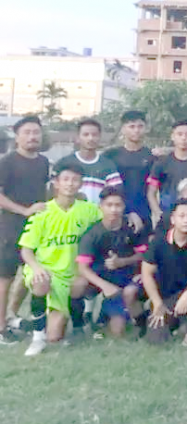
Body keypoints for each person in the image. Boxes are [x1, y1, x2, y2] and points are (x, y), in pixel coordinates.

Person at [20, 162, 103, 356]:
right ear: (56, 183)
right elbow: (26, 249)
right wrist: (36, 267)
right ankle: (37, 338)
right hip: (46, 270)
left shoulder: (89, 210)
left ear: (81, 184)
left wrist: (131, 216)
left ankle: (78, 327)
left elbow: (108, 219)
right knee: (40, 282)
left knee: (56, 333)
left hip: (71, 272)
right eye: (65, 179)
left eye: (75, 180)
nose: (70, 184)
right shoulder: (43, 212)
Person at [0, 116, 50, 344]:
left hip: (37, 228)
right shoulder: (7, 161)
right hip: (10, 226)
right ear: (17, 135)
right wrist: (24, 211)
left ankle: (14, 316)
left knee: (31, 274)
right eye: (27, 132)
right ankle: (1, 328)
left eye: (36, 132)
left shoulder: (43, 162)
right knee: (5, 278)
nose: (32, 137)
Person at [140, 199, 187, 351]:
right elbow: (146, 273)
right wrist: (157, 302)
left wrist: (186, 296)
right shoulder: (159, 242)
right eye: (182, 216)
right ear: (173, 219)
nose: (186, 220)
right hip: (166, 297)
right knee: (155, 339)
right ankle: (179, 324)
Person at [74, 187, 148, 338]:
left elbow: (144, 255)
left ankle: (140, 322)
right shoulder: (92, 233)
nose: (113, 209)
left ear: (124, 206)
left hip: (126, 278)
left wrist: (123, 261)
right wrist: (104, 286)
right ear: (100, 206)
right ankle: (78, 326)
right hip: (102, 278)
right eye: (109, 205)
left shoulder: (133, 228)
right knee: (78, 284)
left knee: (117, 332)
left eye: (118, 205)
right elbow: (82, 267)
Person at [104, 111, 155, 231]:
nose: (136, 130)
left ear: (145, 129)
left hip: (144, 214)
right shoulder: (110, 156)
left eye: (140, 126)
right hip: (115, 213)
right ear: (123, 129)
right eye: (132, 126)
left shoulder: (152, 157)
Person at [56, 119, 123, 204]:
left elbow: (115, 194)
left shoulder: (108, 165)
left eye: (94, 135)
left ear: (100, 137)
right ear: (77, 138)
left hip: (97, 215)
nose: (90, 138)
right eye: (86, 135)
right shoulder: (64, 163)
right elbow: (53, 192)